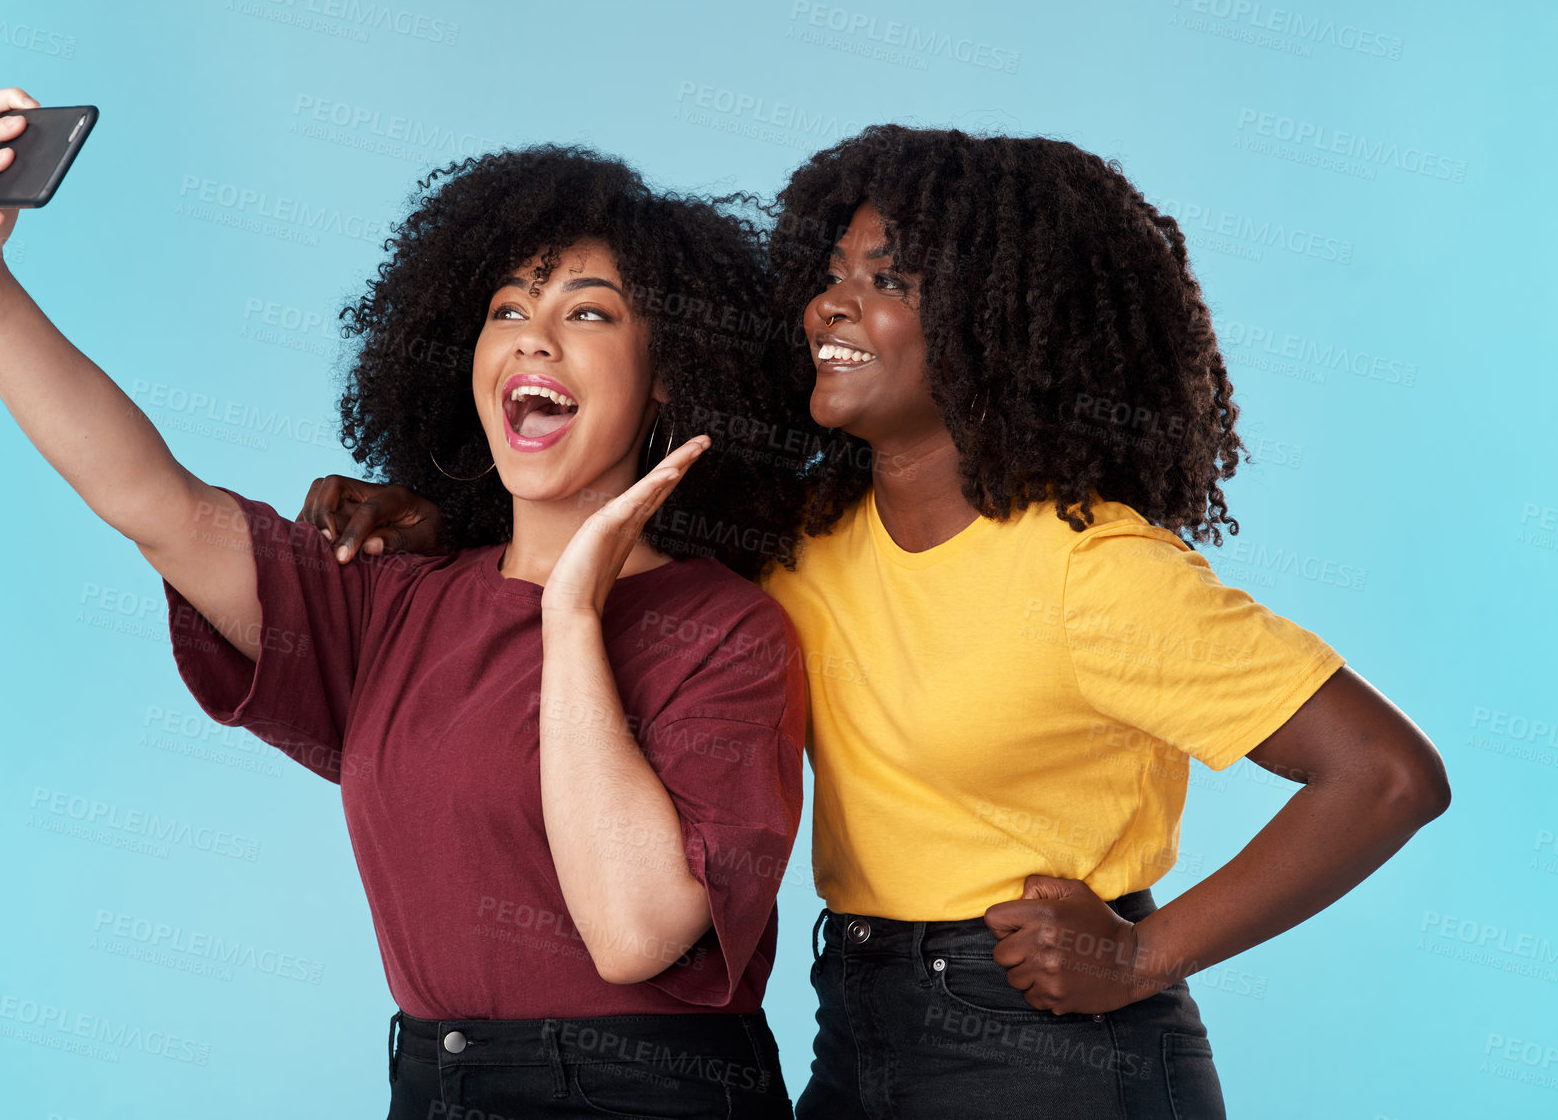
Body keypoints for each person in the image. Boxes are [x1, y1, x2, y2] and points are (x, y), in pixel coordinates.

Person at [294, 125, 1451, 1119]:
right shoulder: (805, 538)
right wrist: (438, 510)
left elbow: (1388, 776)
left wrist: (1144, 953)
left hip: (1048, 1048)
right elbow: (593, 509)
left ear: (1004, 324)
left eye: (888, 282)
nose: (831, 305)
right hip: (855, 1025)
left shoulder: (1096, 572)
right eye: (833, 271)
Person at [0, 87, 816, 1118]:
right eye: (508, 310)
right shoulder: (394, 602)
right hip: (436, 1084)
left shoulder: (730, 634)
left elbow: (632, 935)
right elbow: (150, 500)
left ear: (668, 379)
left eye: (589, 312)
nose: (534, 338)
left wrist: (571, 615)